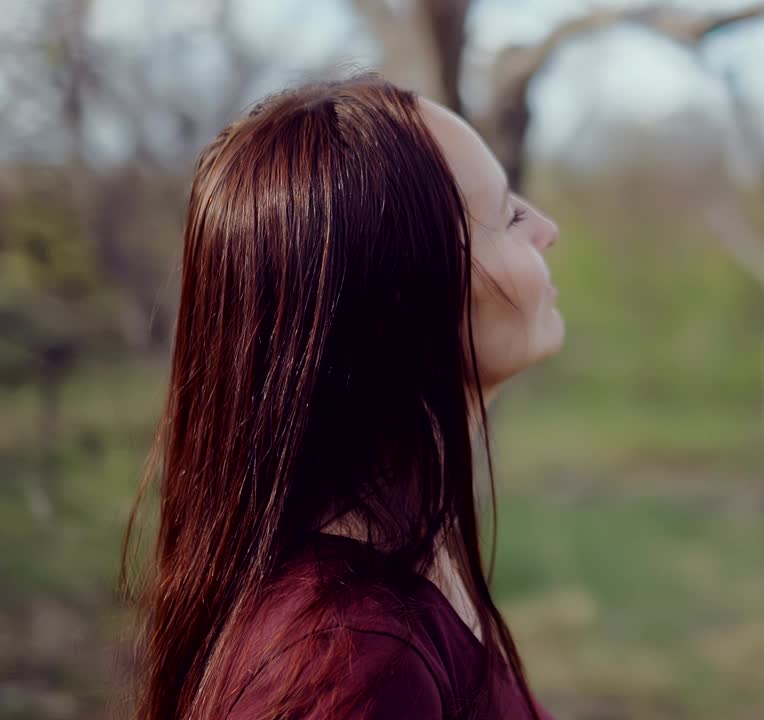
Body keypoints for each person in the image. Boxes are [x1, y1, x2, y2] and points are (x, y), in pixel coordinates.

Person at [119, 74, 563, 719]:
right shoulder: (349, 664)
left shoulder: (403, 558)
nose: (546, 228)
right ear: (397, 302)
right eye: (509, 215)